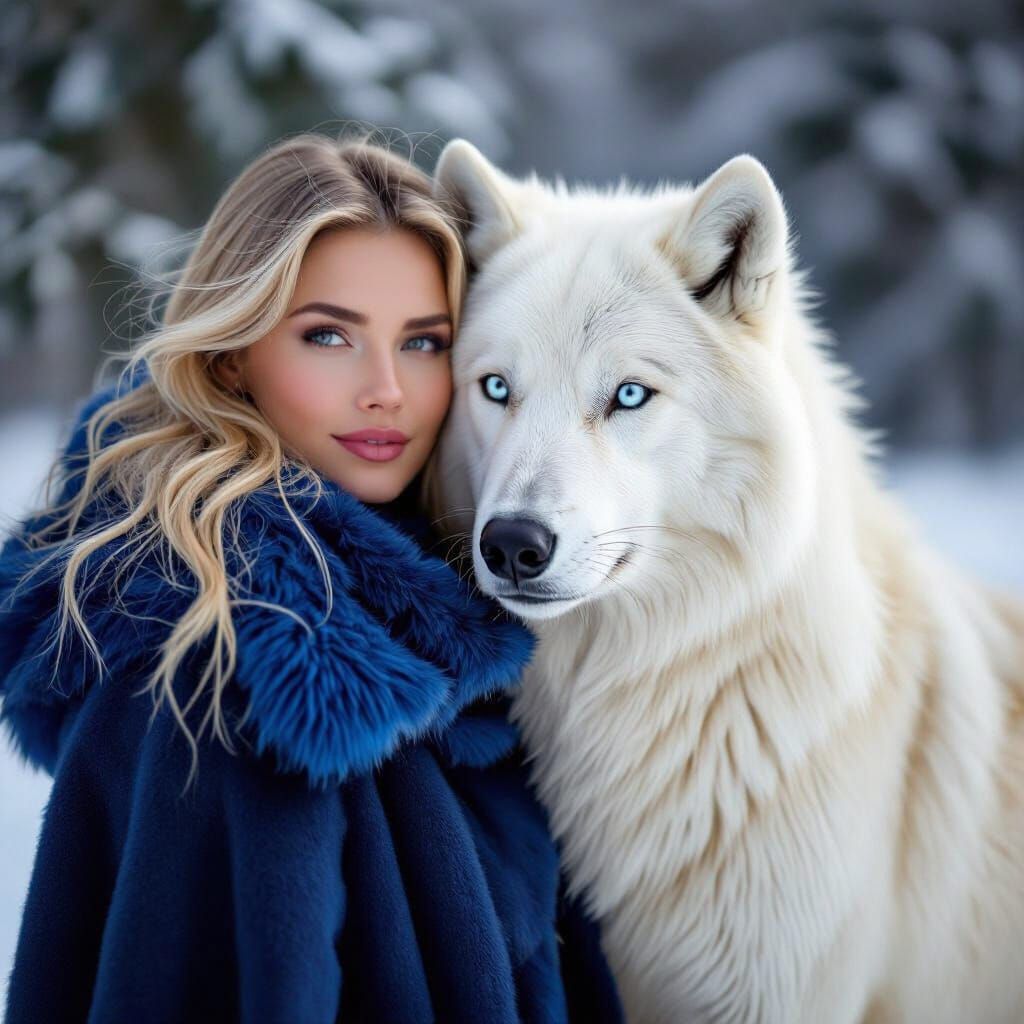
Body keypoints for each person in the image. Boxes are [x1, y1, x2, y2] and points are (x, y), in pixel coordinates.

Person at [0, 132, 622, 1023]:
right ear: (230, 356)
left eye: (423, 342)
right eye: (329, 335)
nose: (386, 390)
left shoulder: (460, 612)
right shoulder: (212, 672)